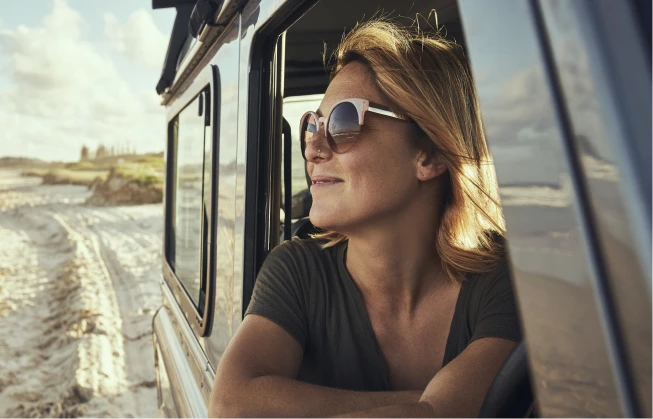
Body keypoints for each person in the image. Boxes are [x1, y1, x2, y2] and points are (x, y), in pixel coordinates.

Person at [209, 17, 521, 418]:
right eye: (312, 125)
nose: (314, 149)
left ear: (431, 154)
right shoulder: (298, 269)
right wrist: (424, 400)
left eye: (343, 122)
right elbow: (232, 406)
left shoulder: (502, 276)